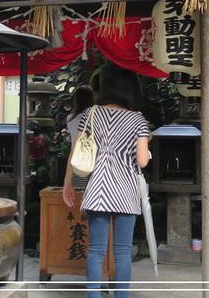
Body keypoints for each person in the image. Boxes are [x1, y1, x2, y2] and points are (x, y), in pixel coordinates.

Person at [63, 65, 151, 298]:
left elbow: (76, 152)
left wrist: (68, 183)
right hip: (125, 192)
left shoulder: (92, 113)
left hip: (97, 190)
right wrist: (146, 152)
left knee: (96, 251)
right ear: (133, 90)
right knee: (122, 253)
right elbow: (142, 161)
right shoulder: (138, 120)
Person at [62, 85, 95, 203]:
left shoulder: (70, 118)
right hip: (93, 161)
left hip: (75, 162)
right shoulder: (94, 118)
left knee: (77, 194)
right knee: (91, 194)